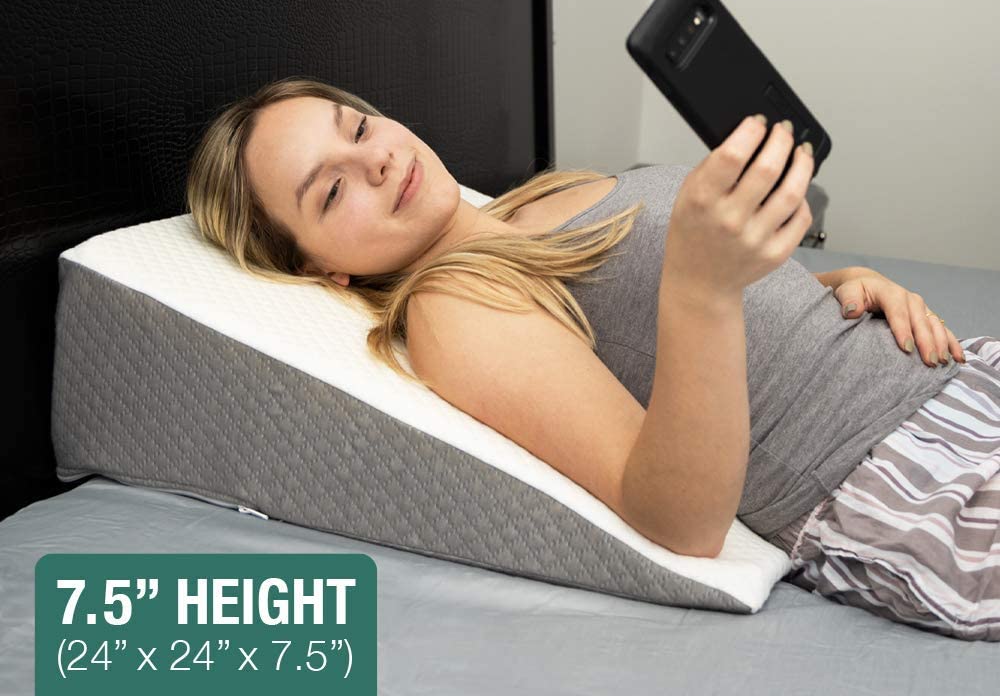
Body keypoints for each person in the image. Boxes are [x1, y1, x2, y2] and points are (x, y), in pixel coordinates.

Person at [186, 75, 999, 641]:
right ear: (321, 268)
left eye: (358, 128)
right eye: (332, 192)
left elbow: (680, 328)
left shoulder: (534, 198)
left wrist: (833, 288)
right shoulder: (454, 307)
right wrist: (703, 290)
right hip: (906, 478)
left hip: (952, 380)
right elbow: (677, 518)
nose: (375, 161)